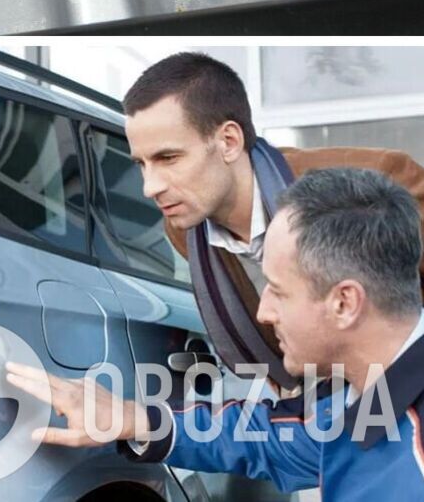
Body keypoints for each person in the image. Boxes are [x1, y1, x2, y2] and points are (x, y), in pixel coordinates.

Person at [6, 168, 424, 499]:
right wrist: (138, 419)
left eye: (279, 292)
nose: (263, 312)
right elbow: (272, 440)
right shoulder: (368, 401)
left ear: (344, 303)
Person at [122, 52, 424, 388]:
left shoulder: (370, 184)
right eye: (141, 164)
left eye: (168, 158)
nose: (150, 187)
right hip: (319, 416)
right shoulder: (185, 230)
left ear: (229, 142)